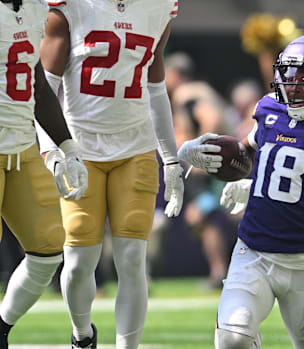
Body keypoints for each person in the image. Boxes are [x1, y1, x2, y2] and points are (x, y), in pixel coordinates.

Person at [179, 34, 304, 348]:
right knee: (232, 338)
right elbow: (249, 152)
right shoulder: (270, 108)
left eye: (303, 78)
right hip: (253, 252)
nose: (291, 85)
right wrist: (206, 152)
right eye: (288, 75)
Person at [37, 0, 184, 348]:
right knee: (77, 262)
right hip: (80, 149)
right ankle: (82, 334)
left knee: (132, 259)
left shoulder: (159, 8)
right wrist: (52, 150)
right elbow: (43, 88)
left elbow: (156, 87)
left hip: (136, 148)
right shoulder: (69, 7)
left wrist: (171, 159)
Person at [0, 0, 88, 347]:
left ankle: (2, 327)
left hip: (22, 145)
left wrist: (68, 147)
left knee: (49, 247)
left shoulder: (35, 8)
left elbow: (35, 79)